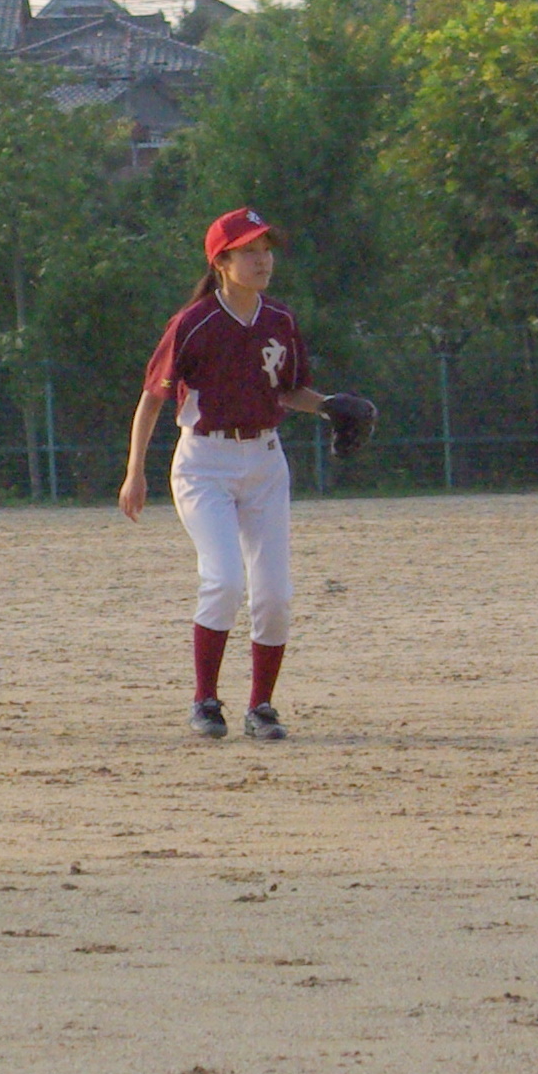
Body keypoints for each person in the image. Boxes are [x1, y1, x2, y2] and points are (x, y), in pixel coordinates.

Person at [116, 207, 361, 743]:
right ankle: (205, 700)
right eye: (249, 251)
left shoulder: (280, 320)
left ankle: (262, 707)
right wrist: (135, 471)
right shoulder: (194, 322)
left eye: (266, 249)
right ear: (221, 262)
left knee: (274, 593)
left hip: (266, 461)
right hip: (204, 464)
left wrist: (328, 406)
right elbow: (152, 399)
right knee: (225, 579)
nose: (262, 260)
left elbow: (288, 391)